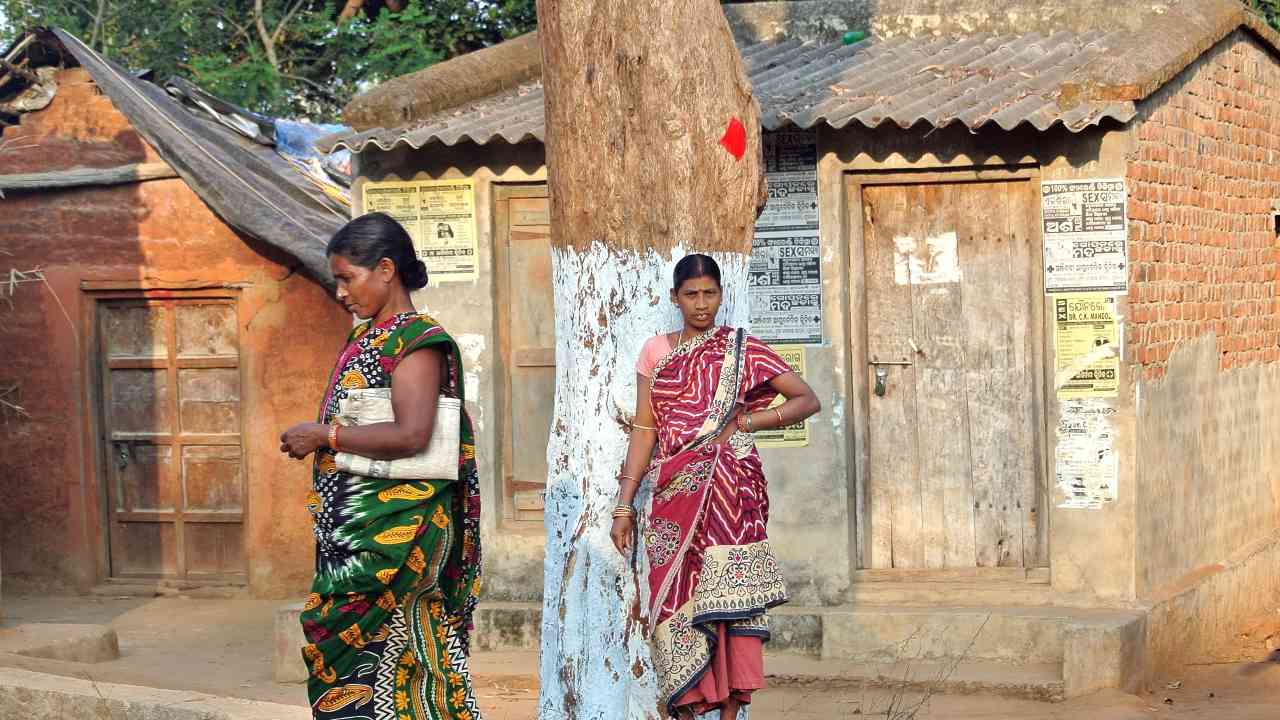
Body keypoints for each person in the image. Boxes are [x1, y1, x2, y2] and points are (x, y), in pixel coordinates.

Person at [279, 212, 483, 720]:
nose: (340, 292)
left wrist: (323, 435)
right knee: (363, 670)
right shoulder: (367, 336)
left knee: (403, 663)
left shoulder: (416, 341)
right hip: (355, 536)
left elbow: (412, 433)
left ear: (386, 269)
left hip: (401, 536)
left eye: (347, 278)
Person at [610, 254, 821, 720]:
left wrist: (747, 419)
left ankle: (728, 710)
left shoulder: (741, 348)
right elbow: (645, 430)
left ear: (722, 295)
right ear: (675, 298)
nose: (701, 304)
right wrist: (623, 505)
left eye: (709, 293)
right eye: (691, 294)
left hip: (730, 494)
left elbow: (807, 399)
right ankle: (686, 707)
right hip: (673, 497)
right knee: (671, 603)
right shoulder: (656, 353)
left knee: (730, 606)